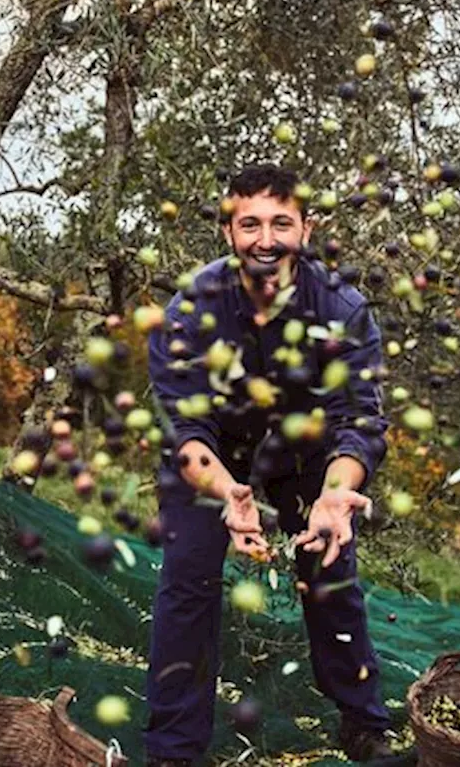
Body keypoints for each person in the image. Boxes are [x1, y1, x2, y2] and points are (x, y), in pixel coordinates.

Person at [142, 164, 395, 766]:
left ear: (305, 228)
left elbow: (359, 419)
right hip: (213, 461)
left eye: (281, 223)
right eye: (249, 223)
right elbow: (185, 427)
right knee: (187, 580)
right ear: (229, 232)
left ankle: (363, 723)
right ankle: (174, 750)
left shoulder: (343, 307)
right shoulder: (189, 310)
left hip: (305, 458)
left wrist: (337, 494)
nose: (266, 239)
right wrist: (228, 491)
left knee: (331, 575)